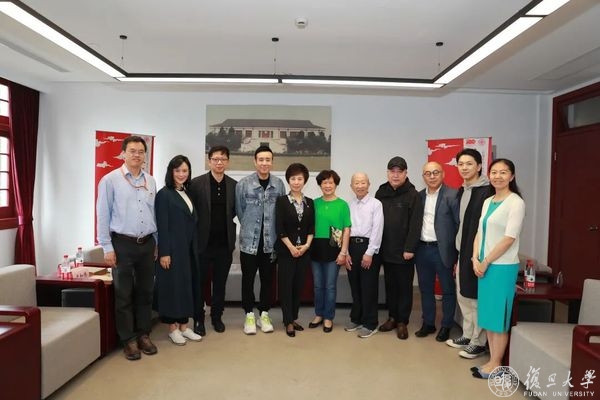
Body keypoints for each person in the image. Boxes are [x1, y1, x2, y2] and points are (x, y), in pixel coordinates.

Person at [96, 135, 158, 360]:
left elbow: (154, 213)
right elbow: (103, 214)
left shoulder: (150, 181)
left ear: (145, 155)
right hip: (122, 243)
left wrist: (157, 243)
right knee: (123, 294)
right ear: (123, 153)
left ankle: (143, 334)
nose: (137, 155)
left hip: (147, 243)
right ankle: (128, 340)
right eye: (132, 151)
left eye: (141, 151)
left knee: (145, 292)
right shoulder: (110, 180)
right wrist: (107, 247)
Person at [471, 159, 525, 379]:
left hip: (502, 267)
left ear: (512, 176)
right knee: (489, 316)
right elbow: (479, 232)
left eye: (503, 172)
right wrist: (475, 258)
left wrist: (485, 262)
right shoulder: (488, 201)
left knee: (499, 318)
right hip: (484, 265)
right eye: (494, 172)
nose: (498, 176)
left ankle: (496, 364)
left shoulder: (516, 203)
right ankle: (492, 360)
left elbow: (509, 238)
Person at [446, 148, 492, 359]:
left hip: (477, 253)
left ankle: (478, 342)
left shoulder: (486, 191)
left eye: (469, 164)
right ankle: (467, 335)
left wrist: (477, 256)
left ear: (479, 166)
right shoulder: (463, 190)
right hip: (462, 250)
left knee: (474, 298)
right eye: (461, 164)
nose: (464, 168)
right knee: (463, 295)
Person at [235, 145, 285, 335]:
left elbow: (281, 211)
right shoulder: (243, 184)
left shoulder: (279, 184)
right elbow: (240, 211)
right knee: (247, 280)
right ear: (255, 162)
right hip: (249, 242)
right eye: (261, 159)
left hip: (270, 243)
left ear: (272, 162)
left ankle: (264, 314)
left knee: (267, 280)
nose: (264, 163)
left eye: (268, 160)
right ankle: (249, 315)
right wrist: (250, 228)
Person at [188, 146, 237, 335]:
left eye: (223, 159)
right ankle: (198, 319)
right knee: (200, 283)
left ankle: (217, 317)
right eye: (215, 159)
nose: (219, 162)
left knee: (219, 284)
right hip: (202, 244)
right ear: (209, 161)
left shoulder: (233, 185)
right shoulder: (196, 184)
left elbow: (235, 211)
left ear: (228, 162)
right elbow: (190, 213)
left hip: (224, 244)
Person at [154, 155, 203, 345]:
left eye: (185, 170)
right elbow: (162, 225)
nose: (181, 174)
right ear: (171, 172)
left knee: (185, 286)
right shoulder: (164, 194)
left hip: (188, 249)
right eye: (177, 171)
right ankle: (172, 329)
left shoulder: (186, 192)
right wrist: (164, 252)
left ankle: (184, 326)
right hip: (172, 250)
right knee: (172, 288)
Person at [375, 156, 423, 340]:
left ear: (405, 173)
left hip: (404, 251)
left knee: (404, 287)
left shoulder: (413, 194)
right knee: (390, 286)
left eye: (399, 172)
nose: (395, 175)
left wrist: (410, 248)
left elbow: (415, 224)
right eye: (392, 171)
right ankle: (392, 318)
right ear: (388, 173)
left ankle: (402, 321)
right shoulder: (381, 192)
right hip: (385, 249)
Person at [414, 162, 459, 342]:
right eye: (427, 173)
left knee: (447, 290)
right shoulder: (418, 196)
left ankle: (446, 325)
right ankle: (428, 323)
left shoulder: (453, 195)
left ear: (443, 174)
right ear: (423, 176)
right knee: (425, 289)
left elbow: (458, 224)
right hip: (422, 249)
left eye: (435, 173)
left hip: (443, 250)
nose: (431, 176)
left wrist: (457, 254)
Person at [309, 169, 351, 333]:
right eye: (324, 182)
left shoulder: (342, 205)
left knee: (330, 286)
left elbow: (346, 229)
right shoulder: (314, 203)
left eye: (330, 182)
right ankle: (319, 314)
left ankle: (328, 317)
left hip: (334, 249)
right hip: (315, 249)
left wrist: (343, 252)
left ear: (336, 184)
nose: (327, 185)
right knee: (318, 286)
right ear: (320, 185)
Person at [275, 163, 314, 337]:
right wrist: (291, 247)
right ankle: (288, 321)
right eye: (293, 179)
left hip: (304, 252)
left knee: (298, 286)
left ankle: (294, 317)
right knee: (286, 286)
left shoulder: (310, 202)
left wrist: (306, 246)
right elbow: (279, 227)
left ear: (304, 181)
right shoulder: (281, 201)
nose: (296, 182)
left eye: (300, 179)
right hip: (286, 252)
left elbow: (311, 227)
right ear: (288, 180)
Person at [344, 172, 384, 339]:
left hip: (368, 248)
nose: (359, 186)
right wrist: (346, 252)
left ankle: (370, 323)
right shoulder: (349, 205)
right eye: (356, 183)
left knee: (368, 287)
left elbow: (377, 229)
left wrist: (369, 253)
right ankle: (357, 318)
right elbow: (346, 228)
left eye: (363, 183)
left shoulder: (376, 204)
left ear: (368, 184)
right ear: (351, 186)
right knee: (355, 286)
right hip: (351, 247)